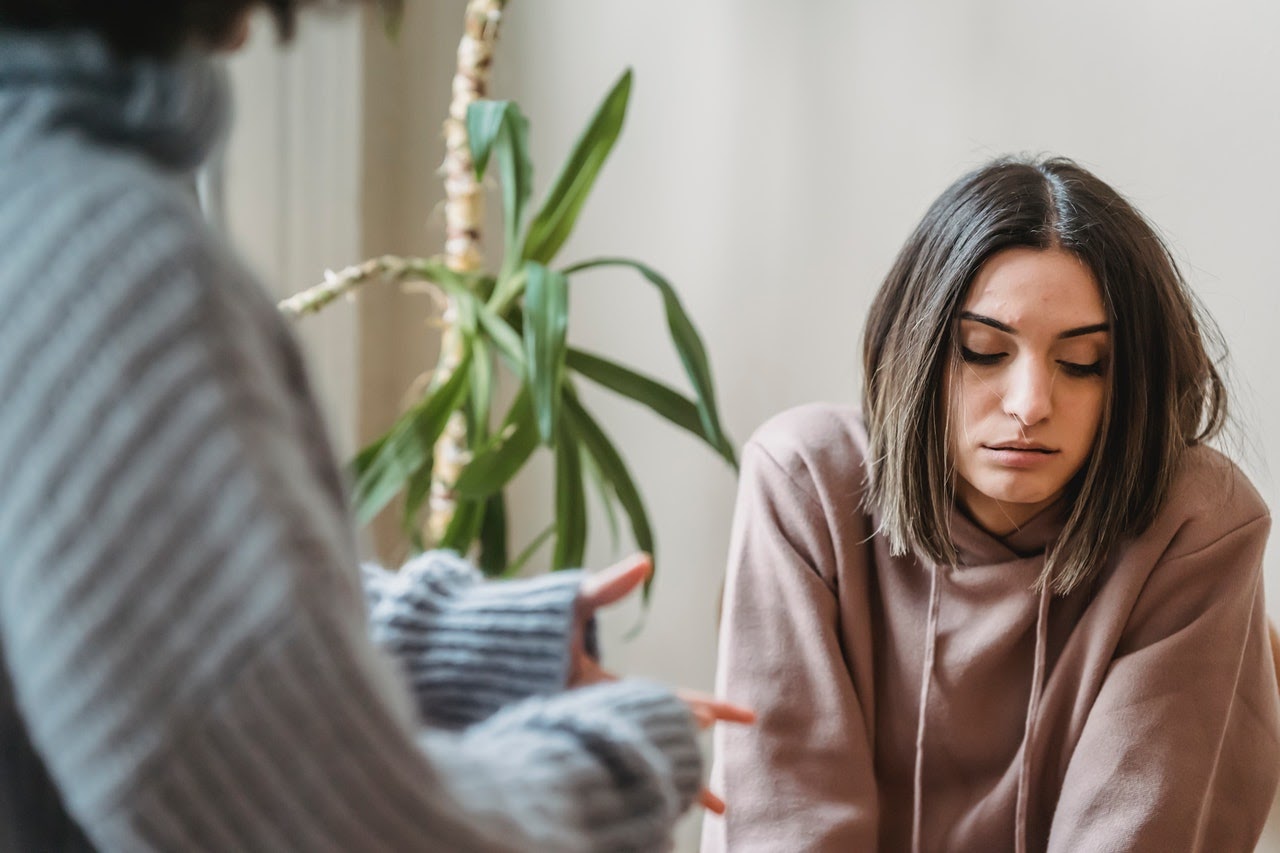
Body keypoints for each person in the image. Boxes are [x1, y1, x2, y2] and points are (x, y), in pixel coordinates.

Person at [0, 2, 751, 850]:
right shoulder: (101, 265)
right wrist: (627, 750)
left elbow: (121, 624)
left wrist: (446, 639)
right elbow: (355, 832)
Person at [702, 156, 1280, 852]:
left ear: (1130, 376)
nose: (1031, 404)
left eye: (1081, 363)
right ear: (913, 353)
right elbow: (783, 822)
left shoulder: (1195, 521)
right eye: (982, 351)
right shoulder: (803, 484)